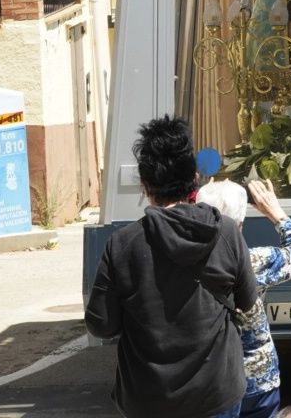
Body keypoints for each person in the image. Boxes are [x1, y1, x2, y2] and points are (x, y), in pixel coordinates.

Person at [86, 115, 256, 418]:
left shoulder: (123, 244)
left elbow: (101, 324)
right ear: (194, 177)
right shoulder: (226, 231)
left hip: (148, 398)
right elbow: (246, 300)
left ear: (145, 184)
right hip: (217, 392)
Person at [197, 177, 291, 418]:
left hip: (210, 379)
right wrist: (275, 212)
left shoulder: (186, 263)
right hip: (258, 379)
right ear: (239, 224)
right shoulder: (255, 262)